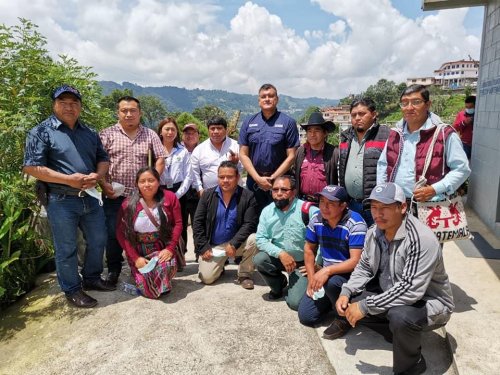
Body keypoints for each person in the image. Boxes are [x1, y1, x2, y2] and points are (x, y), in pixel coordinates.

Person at [334, 182, 454, 375]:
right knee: (350, 303)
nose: (377, 213)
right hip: (393, 291)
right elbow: (364, 266)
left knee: (400, 317)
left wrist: (365, 307)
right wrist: (346, 292)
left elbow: (410, 290)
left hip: (430, 302)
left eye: (385, 207)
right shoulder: (374, 232)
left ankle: (412, 365)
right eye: (374, 207)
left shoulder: (421, 239)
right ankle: (396, 333)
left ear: (403, 207)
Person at [23, 85, 114, 308]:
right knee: (66, 247)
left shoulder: (89, 132)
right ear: (54, 105)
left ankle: (91, 278)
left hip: (91, 197)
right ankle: (72, 289)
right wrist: (67, 180)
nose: (69, 107)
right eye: (63, 102)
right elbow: (32, 167)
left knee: (98, 239)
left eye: (74, 102)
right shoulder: (41, 131)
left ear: (80, 106)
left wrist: (98, 174)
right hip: (61, 200)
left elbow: (103, 159)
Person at [99, 96, 166, 286]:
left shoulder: (150, 134)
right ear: (118, 113)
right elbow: (98, 162)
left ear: (140, 113)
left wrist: (152, 182)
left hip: (141, 196)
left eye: (133, 110)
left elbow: (160, 158)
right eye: (124, 110)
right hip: (114, 195)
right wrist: (104, 185)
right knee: (113, 232)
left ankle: (142, 265)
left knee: (142, 231)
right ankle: (113, 270)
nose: (129, 114)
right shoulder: (106, 134)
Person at [377, 84, 470, 206]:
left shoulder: (444, 133)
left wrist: (434, 189)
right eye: (404, 103)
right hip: (397, 205)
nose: (409, 107)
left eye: (416, 102)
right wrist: (383, 191)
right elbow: (383, 165)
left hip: (430, 206)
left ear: (427, 105)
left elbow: (462, 169)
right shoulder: (395, 134)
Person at [297, 185, 367, 331]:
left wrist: (326, 271)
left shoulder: (356, 223)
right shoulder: (316, 219)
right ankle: (332, 301)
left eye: (331, 204)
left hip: (350, 276)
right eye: (322, 202)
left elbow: (356, 261)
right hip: (328, 273)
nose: (324, 207)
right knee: (306, 317)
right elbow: (309, 249)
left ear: (343, 206)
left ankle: (344, 318)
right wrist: (311, 278)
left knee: (332, 283)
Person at [254, 175, 318, 310]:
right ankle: (279, 285)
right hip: (282, 259)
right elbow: (260, 239)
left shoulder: (309, 211)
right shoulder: (267, 211)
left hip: (303, 265)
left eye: (284, 190)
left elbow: (325, 239)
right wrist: (281, 254)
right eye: (275, 189)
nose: (278, 194)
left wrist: (317, 265)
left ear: (293, 192)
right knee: (260, 259)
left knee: (295, 303)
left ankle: (296, 285)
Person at [116, 167, 182, 299]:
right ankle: (144, 276)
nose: (147, 184)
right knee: (148, 289)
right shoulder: (128, 204)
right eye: (142, 181)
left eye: (151, 180)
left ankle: (161, 278)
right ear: (137, 184)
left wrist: (169, 248)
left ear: (158, 182)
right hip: (139, 249)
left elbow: (178, 224)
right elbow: (121, 233)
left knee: (164, 267)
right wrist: (136, 258)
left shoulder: (170, 197)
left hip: (161, 246)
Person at [193, 161, 258, 289]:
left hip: (237, 244)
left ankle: (244, 274)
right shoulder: (207, 195)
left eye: (230, 177)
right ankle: (220, 267)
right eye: (221, 177)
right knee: (207, 278)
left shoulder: (247, 196)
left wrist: (234, 243)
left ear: (237, 177)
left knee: (255, 239)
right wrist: (203, 247)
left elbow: (249, 224)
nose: (225, 180)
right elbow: (197, 223)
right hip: (214, 247)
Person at [239, 83, 300, 213]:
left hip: (280, 185)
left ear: (276, 99)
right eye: (263, 96)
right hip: (254, 183)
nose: (267, 99)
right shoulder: (248, 122)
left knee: (280, 220)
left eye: (271, 96)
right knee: (254, 220)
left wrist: (273, 179)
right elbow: (243, 154)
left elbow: (292, 156)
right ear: (259, 100)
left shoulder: (288, 122)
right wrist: (257, 179)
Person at [339, 98, 389, 226]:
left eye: (362, 114)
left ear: (373, 114)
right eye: (354, 115)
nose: (357, 118)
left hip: (376, 205)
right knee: (355, 242)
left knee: (378, 242)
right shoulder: (346, 138)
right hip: (352, 205)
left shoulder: (386, 135)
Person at [157, 117, 192, 259]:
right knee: (161, 223)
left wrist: (177, 195)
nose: (170, 132)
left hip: (178, 192)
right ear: (160, 132)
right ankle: (161, 254)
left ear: (177, 132)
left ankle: (180, 255)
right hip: (159, 191)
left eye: (173, 129)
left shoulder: (182, 151)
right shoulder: (154, 149)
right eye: (167, 129)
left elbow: (188, 176)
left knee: (180, 224)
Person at [293, 112, 339, 203]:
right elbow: (294, 175)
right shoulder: (300, 152)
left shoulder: (334, 153)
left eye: (317, 130)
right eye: (309, 131)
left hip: (325, 203)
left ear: (325, 133)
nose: (312, 134)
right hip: (302, 201)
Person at [190, 116, 241, 196]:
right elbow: (194, 172)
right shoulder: (199, 150)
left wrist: (235, 164)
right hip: (209, 195)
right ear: (208, 131)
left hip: (234, 193)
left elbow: (243, 169)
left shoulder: (236, 146)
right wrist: (200, 190)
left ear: (226, 130)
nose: (216, 131)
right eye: (212, 128)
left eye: (219, 128)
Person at [181, 123, 201, 258]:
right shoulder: (177, 150)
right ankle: (181, 255)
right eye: (187, 133)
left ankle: (200, 254)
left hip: (197, 191)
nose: (190, 135)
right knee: (180, 225)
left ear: (198, 135)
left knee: (198, 225)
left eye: (193, 133)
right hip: (180, 192)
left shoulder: (203, 150)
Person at [452, 95, 476, 159]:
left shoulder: (479, 114)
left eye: (470, 107)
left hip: (477, 145)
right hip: (465, 144)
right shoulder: (461, 114)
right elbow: (454, 128)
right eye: (466, 107)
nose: (468, 109)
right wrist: (463, 123)